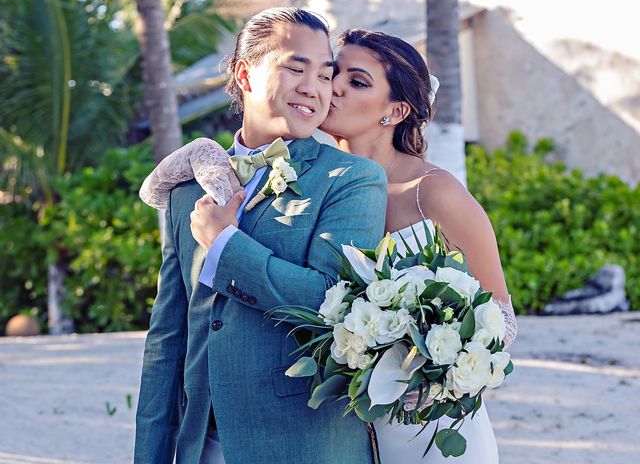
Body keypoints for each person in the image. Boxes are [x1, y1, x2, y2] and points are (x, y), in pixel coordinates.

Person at [141, 26, 518, 463]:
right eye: (331, 74)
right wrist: (200, 155)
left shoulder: (432, 192)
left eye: (355, 82)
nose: (331, 88)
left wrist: (436, 370)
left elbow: (501, 317)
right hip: (342, 417)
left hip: (422, 421)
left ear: (395, 110)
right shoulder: (307, 179)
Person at [134, 9, 387, 464]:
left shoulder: (351, 178)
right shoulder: (187, 188)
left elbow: (333, 302)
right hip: (203, 445)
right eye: (295, 68)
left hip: (304, 445)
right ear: (244, 74)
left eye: (325, 74)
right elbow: (168, 337)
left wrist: (228, 247)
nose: (313, 87)